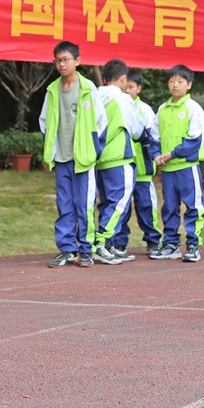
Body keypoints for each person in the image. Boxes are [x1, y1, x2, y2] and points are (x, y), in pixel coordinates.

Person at [40, 41, 107, 268]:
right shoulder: (51, 91)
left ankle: (86, 249)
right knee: (64, 205)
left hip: (84, 159)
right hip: (62, 159)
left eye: (66, 59)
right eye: (58, 60)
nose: (61, 64)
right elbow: (44, 123)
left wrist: (94, 151)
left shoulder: (88, 89)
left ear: (77, 61)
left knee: (85, 204)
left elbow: (101, 123)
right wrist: (51, 149)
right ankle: (67, 249)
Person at [152, 64, 204, 263]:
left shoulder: (193, 109)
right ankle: (170, 244)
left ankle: (193, 245)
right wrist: (156, 154)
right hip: (168, 170)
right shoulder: (162, 109)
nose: (175, 85)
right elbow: (154, 137)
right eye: (171, 80)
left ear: (189, 85)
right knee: (169, 207)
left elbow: (194, 140)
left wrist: (171, 155)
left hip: (186, 167)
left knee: (193, 206)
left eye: (180, 81)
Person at [92, 59, 145, 265]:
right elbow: (136, 128)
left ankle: (109, 244)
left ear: (105, 79)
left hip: (100, 158)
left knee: (106, 202)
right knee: (119, 202)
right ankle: (103, 243)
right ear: (124, 78)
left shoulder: (95, 95)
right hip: (119, 157)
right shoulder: (122, 99)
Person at [113, 70, 162, 259]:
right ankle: (119, 243)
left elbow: (152, 139)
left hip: (142, 171)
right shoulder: (117, 105)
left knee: (146, 208)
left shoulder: (146, 111)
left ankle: (152, 242)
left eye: (131, 87)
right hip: (122, 169)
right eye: (125, 86)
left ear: (139, 89)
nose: (127, 90)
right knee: (122, 209)